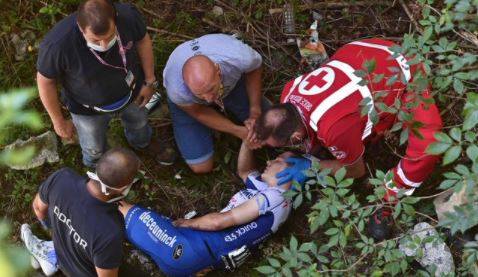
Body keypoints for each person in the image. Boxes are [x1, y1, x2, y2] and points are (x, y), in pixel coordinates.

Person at [253, 38, 443, 240]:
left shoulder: (333, 129)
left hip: (405, 72)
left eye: (281, 146)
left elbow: (356, 171)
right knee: (339, 135)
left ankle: (389, 200)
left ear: (295, 136)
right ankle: (362, 135)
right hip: (361, 52)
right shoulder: (289, 92)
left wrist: (310, 168)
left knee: (429, 145)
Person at [117, 142, 305, 276]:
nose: (269, 162)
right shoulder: (269, 192)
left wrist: (187, 223)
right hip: (198, 256)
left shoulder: (277, 197)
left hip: (191, 248)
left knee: (120, 207)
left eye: (278, 161)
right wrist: (248, 141)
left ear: (290, 173)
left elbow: (218, 222)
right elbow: (245, 171)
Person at [36, 0, 174, 168]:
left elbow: (143, 41)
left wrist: (150, 81)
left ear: (115, 19)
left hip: (132, 92)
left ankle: (142, 143)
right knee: (93, 147)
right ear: (80, 27)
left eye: (109, 37)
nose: (103, 45)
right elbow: (45, 82)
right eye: (95, 40)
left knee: (139, 123)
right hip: (87, 109)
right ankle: (97, 168)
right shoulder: (57, 46)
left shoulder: (128, 17)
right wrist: (58, 121)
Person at [20, 148, 141, 276]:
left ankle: (52, 255)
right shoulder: (110, 230)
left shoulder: (62, 178)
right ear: (123, 187)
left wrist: (57, 228)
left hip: (61, 252)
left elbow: (38, 208)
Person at [163, 33, 269, 174]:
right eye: (200, 94)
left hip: (231, 86)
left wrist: (255, 110)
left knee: (269, 129)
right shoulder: (177, 89)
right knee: (201, 167)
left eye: (210, 89)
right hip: (191, 105)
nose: (208, 99)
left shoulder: (239, 57)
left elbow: (255, 69)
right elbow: (199, 111)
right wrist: (239, 131)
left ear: (218, 70)